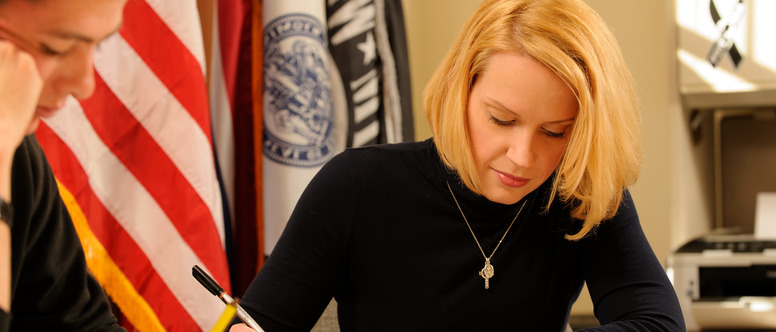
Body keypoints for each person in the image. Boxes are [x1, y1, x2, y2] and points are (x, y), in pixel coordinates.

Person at [233, 0, 685, 330]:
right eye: (501, 120)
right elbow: (261, 323)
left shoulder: (580, 196)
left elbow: (658, 324)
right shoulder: (357, 187)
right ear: (459, 91)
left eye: (556, 132)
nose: (523, 158)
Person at [0, 0, 128, 330]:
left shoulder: (19, 156)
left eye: (98, 44)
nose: (86, 85)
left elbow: (78, 322)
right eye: (56, 48)